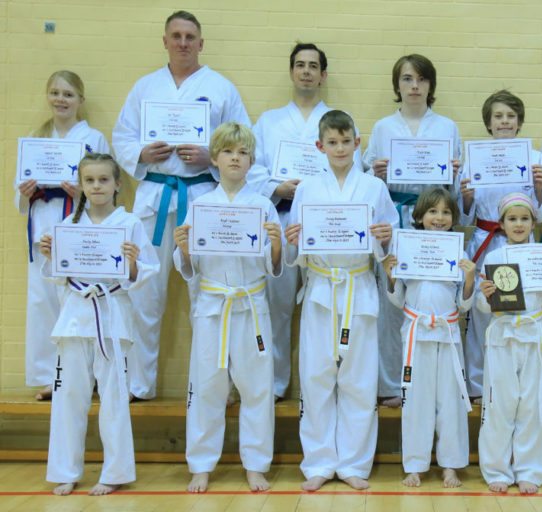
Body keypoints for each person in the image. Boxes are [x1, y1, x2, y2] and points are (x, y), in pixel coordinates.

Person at [112, 10, 255, 400]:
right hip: (154, 197)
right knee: (145, 294)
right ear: (164, 41)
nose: (183, 43)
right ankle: (139, 385)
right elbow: (121, 136)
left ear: (201, 43)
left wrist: (211, 158)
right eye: (175, 36)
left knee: (208, 294)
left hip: (202, 197)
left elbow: (244, 141)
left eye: (190, 36)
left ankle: (214, 385)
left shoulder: (222, 88)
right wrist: (142, 151)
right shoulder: (145, 88)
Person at [284, 110, 396, 491]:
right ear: (320, 146)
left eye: (346, 141)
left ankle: (353, 463)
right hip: (320, 289)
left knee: (358, 379)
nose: (340, 148)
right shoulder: (308, 189)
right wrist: (295, 240)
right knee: (316, 377)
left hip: (359, 287)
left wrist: (385, 236)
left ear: (357, 142)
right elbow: (294, 248)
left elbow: (388, 245)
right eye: (332, 142)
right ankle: (318, 461)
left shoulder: (374, 188)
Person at [40, 154, 159, 496]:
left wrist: (134, 264)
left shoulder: (131, 223)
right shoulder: (68, 226)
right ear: (81, 185)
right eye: (90, 180)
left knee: (115, 398)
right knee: (68, 396)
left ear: (117, 184)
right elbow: (58, 277)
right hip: (75, 317)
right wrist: (51, 256)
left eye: (104, 180)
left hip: (113, 315)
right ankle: (65, 470)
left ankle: (116, 471)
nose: (96, 186)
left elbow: (145, 275)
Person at [173, 122, 282, 493]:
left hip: (251, 304)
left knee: (257, 388)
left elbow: (273, 265)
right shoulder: (201, 205)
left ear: (252, 161)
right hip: (213, 307)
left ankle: (256, 464)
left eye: (243, 153)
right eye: (228, 152)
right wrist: (184, 249)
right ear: (215, 159)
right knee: (207, 387)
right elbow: (189, 266)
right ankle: (201, 465)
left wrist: (277, 245)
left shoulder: (263, 205)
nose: (236, 159)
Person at [251, 42, 361, 399]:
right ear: (292, 71)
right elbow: (252, 168)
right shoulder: (268, 121)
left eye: (314, 66)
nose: (307, 71)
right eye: (300, 64)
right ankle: (277, 384)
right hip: (282, 220)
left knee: (326, 307)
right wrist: (276, 186)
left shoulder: (338, 120)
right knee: (277, 307)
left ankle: (331, 385)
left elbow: (353, 171)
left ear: (323, 75)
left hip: (329, 229)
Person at [363, 54, 461, 407]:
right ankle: (392, 385)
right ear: (397, 85)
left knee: (433, 299)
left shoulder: (447, 127)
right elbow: (367, 177)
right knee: (392, 303)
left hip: (436, 221)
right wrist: (375, 171)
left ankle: (431, 385)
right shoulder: (383, 128)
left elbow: (458, 184)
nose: (414, 86)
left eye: (421, 79)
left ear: (431, 85)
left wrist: (455, 171)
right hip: (396, 219)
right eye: (407, 79)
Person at [477, 192, 542, 494]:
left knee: (532, 407)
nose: (518, 225)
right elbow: (485, 309)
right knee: (498, 405)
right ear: (501, 224)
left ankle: (530, 471)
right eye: (512, 219)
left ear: (534, 222)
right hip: (502, 337)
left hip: (533, 336)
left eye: (524, 219)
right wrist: (485, 295)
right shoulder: (494, 259)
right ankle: (496, 469)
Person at [16, 70, 110, 400]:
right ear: (48, 96)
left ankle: (85, 375)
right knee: (42, 301)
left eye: (68, 94)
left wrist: (80, 190)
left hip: (79, 222)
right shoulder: (35, 138)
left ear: (80, 100)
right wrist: (25, 193)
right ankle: (48, 377)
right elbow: (20, 199)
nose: (61, 99)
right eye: (55, 92)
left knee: (77, 300)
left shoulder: (93, 138)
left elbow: (106, 184)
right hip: (43, 222)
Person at [458, 90, 542, 402]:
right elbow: (465, 212)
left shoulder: (534, 158)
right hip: (487, 241)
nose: (505, 122)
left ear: (520, 121)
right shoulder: (474, 156)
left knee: (520, 311)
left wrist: (540, 186)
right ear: (488, 122)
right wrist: (467, 196)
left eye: (511, 116)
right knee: (483, 314)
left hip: (523, 244)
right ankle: (479, 387)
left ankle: (519, 386)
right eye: (498, 116)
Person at [382, 187, 475, 488]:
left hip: (448, 336)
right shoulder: (407, 248)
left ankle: (451, 465)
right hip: (415, 334)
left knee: (451, 402)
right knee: (416, 402)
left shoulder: (459, 253)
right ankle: (416, 465)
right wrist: (391, 274)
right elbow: (398, 300)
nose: (439, 217)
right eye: (432, 211)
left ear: (453, 218)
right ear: (419, 217)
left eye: (446, 212)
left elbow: (463, 304)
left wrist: (471, 276)